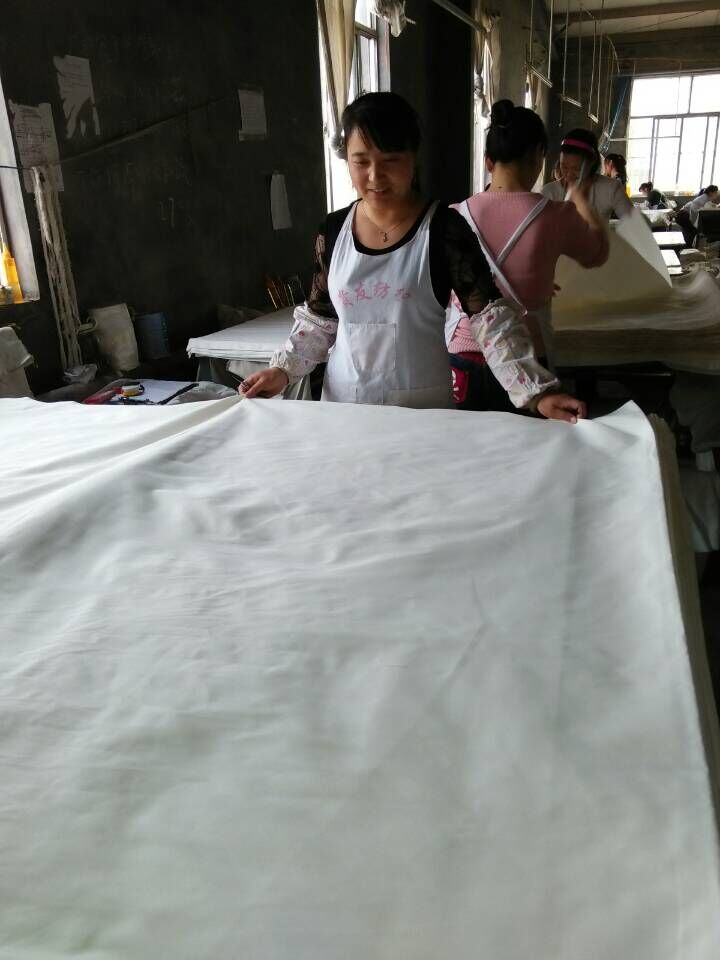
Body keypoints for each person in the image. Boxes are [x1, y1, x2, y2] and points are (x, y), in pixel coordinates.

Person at [241, 92, 585, 422]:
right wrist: (282, 371)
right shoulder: (333, 231)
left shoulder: (444, 229)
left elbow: (489, 319)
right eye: (361, 161)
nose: (375, 176)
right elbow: (320, 320)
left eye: (390, 161)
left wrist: (536, 393)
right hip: (345, 410)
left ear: (412, 157)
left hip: (422, 414)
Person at [446, 100, 609, 410]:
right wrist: (582, 202)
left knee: (465, 439)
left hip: (463, 355)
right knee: (526, 441)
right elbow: (596, 254)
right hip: (527, 360)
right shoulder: (558, 215)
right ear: (538, 156)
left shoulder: (454, 215)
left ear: (488, 161)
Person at [542, 129, 634, 220]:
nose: (569, 175)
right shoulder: (549, 193)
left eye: (576, 169)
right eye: (564, 167)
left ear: (592, 162)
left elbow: (636, 227)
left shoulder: (611, 188)